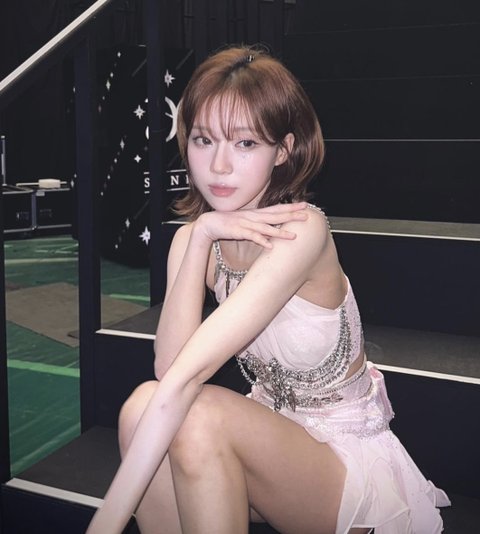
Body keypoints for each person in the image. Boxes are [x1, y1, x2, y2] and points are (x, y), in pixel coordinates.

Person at [87, 45, 450, 534]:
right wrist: (202, 236)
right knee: (139, 409)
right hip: (270, 440)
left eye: (245, 143)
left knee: (197, 414)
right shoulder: (194, 240)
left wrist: (105, 523)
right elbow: (169, 372)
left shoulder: (302, 231)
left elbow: (187, 380)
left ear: (283, 150)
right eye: (203, 139)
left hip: (343, 458)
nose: (218, 166)